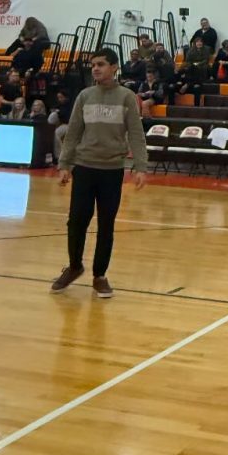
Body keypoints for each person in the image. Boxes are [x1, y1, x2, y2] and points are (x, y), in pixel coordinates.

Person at [50, 48, 147, 300]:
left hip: (112, 171)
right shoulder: (85, 96)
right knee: (76, 221)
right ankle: (74, 266)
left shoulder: (126, 97)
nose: (95, 68)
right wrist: (65, 165)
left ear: (114, 67)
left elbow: (136, 134)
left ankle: (99, 276)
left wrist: (140, 166)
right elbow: (72, 133)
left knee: (106, 225)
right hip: (84, 167)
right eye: (93, 64)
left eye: (101, 64)